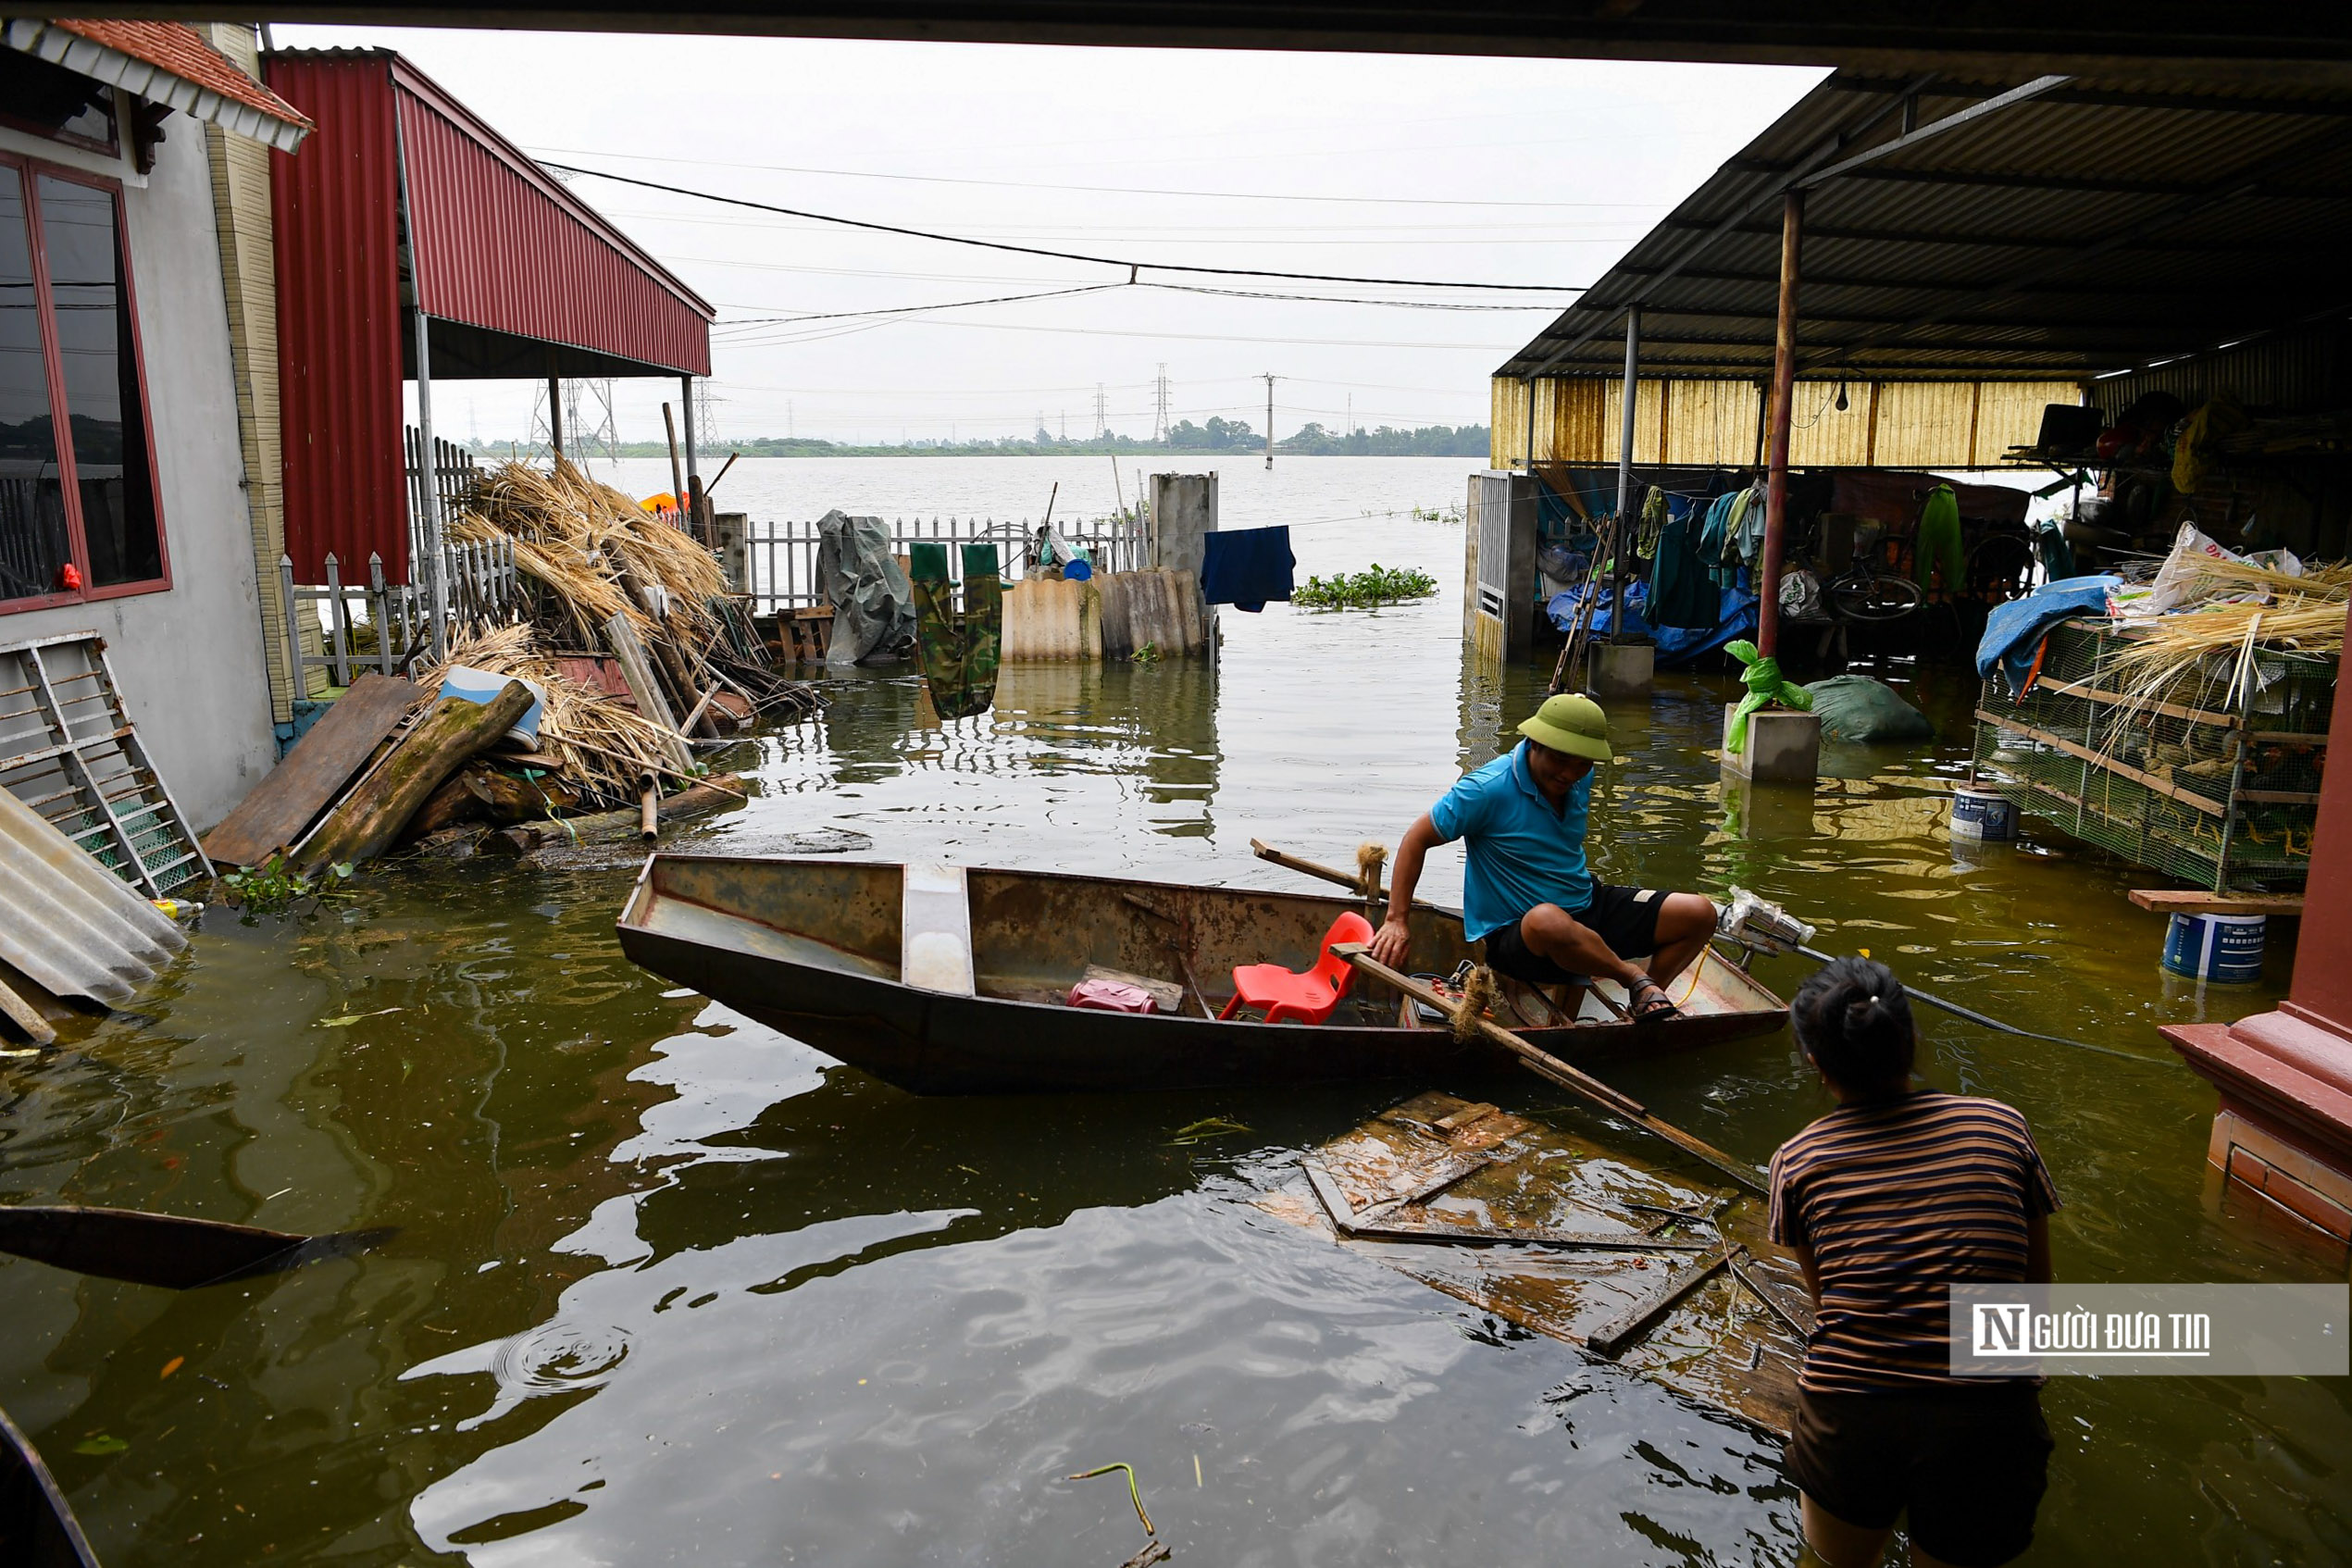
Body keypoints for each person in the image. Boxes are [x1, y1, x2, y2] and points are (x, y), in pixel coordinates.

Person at [1769, 956, 2060, 1568]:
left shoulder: (1797, 1160)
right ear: (1911, 1040)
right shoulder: (1999, 1127)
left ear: (1815, 1065)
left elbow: (1828, 1306)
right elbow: (2035, 1294)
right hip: (1988, 1419)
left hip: (1851, 1412)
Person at [1366, 692, 1718, 1018]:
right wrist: (1397, 919)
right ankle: (1633, 978)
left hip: (1585, 907)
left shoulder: (1579, 777)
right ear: (1534, 743)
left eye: (1581, 763)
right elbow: (1416, 838)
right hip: (1519, 937)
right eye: (1559, 759)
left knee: (1699, 913)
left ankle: (1644, 1002)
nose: (1568, 774)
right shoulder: (1486, 790)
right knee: (1547, 919)